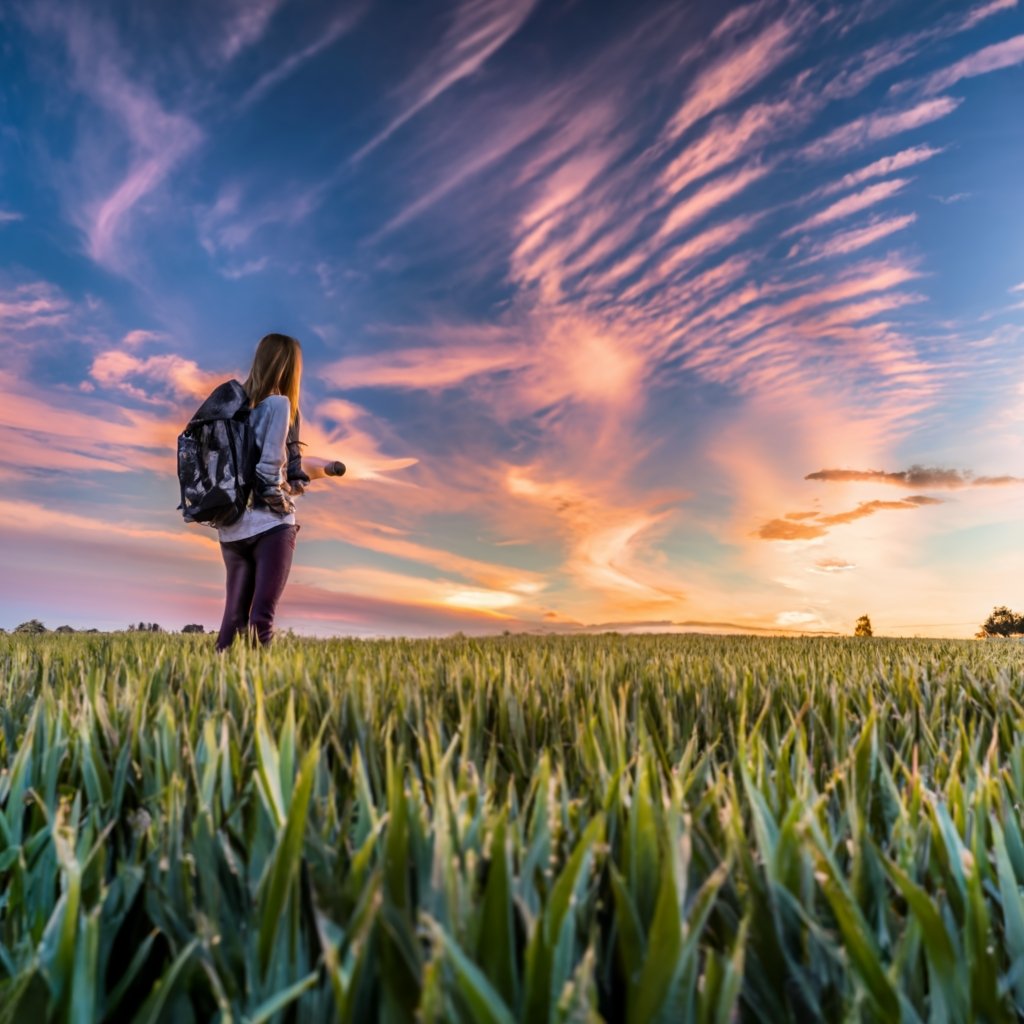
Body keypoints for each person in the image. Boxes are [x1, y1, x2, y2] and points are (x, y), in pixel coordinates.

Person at [215, 333, 309, 652]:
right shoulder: (279, 405)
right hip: (270, 527)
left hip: (231, 529)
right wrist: (285, 506)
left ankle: (209, 689)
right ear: (289, 369)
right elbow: (268, 473)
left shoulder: (231, 409)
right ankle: (262, 693)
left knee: (233, 619)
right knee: (261, 619)